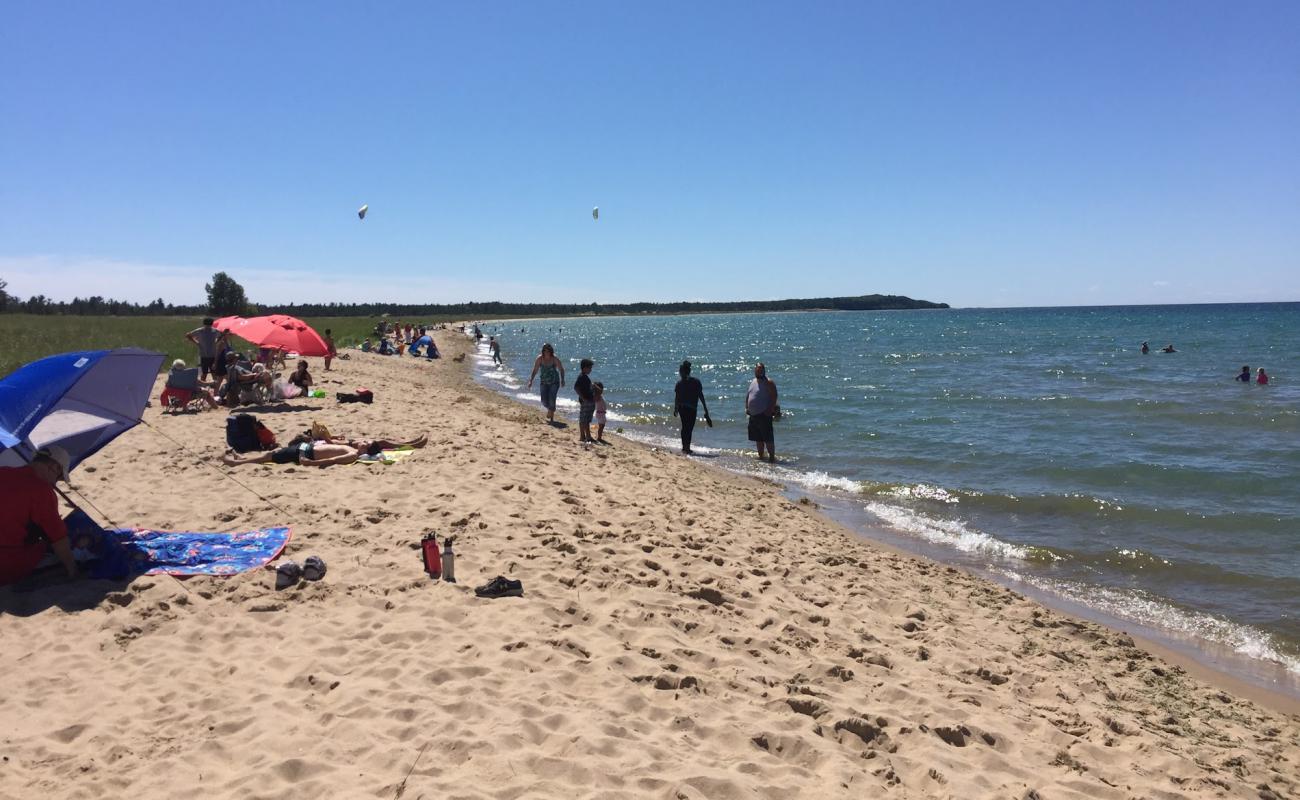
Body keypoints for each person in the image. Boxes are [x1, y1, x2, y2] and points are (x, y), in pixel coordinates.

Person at [0, 446, 78, 584]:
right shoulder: (42, 491)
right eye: (59, 477)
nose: (55, 482)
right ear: (54, 467)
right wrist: (72, 568)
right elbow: (58, 538)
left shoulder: (3, 471)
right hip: (7, 564)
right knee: (47, 546)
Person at [223, 441, 359, 468]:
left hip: (305, 452)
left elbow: (333, 460)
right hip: (306, 447)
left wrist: (311, 463)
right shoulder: (350, 447)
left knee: (270, 456)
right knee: (272, 454)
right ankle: (243, 459)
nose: (363, 441)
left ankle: (236, 463)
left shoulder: (352, 454)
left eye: (366, 443)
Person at [673, 360, 711, 455]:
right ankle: (687, 448)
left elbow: (677, 398)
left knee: (685, 428)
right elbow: (701, 396)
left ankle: (684, 447)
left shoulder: (679, 384)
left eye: (680, 371)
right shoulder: (696, 382)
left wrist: (676, 409)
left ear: (682, 372)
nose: (679, 373)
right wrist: (706, 410)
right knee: (689, 428)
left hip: (683, 408)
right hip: (692, 409)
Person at [745, 362, 778, 463]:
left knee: (768, 439)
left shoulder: (769, 382)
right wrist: (746, 407)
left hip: (764, 415)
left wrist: (769, 410)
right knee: (758, 439)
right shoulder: (753, 381)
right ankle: (761, 458)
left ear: (764, 370)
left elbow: (774, 396)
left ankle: (772, 458)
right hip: (753, 415)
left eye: (761, 369)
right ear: (755, 370)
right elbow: (749, 394)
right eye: (758, 369)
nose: (759, 371)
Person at [526, 343, 565, 424]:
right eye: (545, 351)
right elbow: (535, 370)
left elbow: (561, 369)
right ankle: (550, 410)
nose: (546, 352)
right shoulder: (539, 359)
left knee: (552, 398)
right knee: (544, 400)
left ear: (551, 351)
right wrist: (531, 380)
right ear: (543, 351)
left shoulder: (554, 359)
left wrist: (562, 380)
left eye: (548, 351)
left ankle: (552, 418)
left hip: (554, 382)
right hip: (543, 382)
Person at [574, 358, 596, 443]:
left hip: (589, 400)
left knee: (586, 420)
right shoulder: (581, 377)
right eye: (589, 368)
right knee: (583, 419)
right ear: (584, 368)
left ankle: (588, 436)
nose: (591, 370)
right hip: (585, 401)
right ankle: (583, 436)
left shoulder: (585, 377)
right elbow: (576, 388)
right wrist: (583, 398)